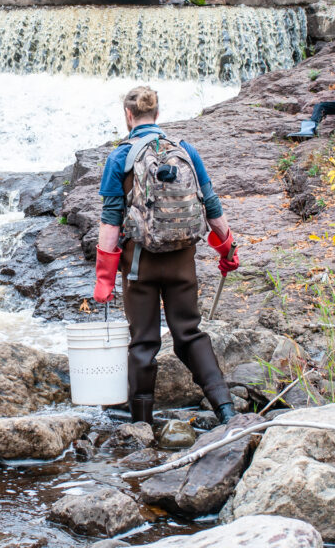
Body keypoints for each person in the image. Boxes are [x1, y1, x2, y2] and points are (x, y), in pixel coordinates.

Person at [93, 86, 239, 425]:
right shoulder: (184, 149)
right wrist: (227, 248)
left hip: (140, 265)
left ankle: (141, 422)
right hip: (182, 261)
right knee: (189, 333)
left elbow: (110, 219)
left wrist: (104, 277)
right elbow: (211, 204)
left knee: (143, 341)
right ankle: (226, 408)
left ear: (128, 116)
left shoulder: (120, 157)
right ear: (157, 114)